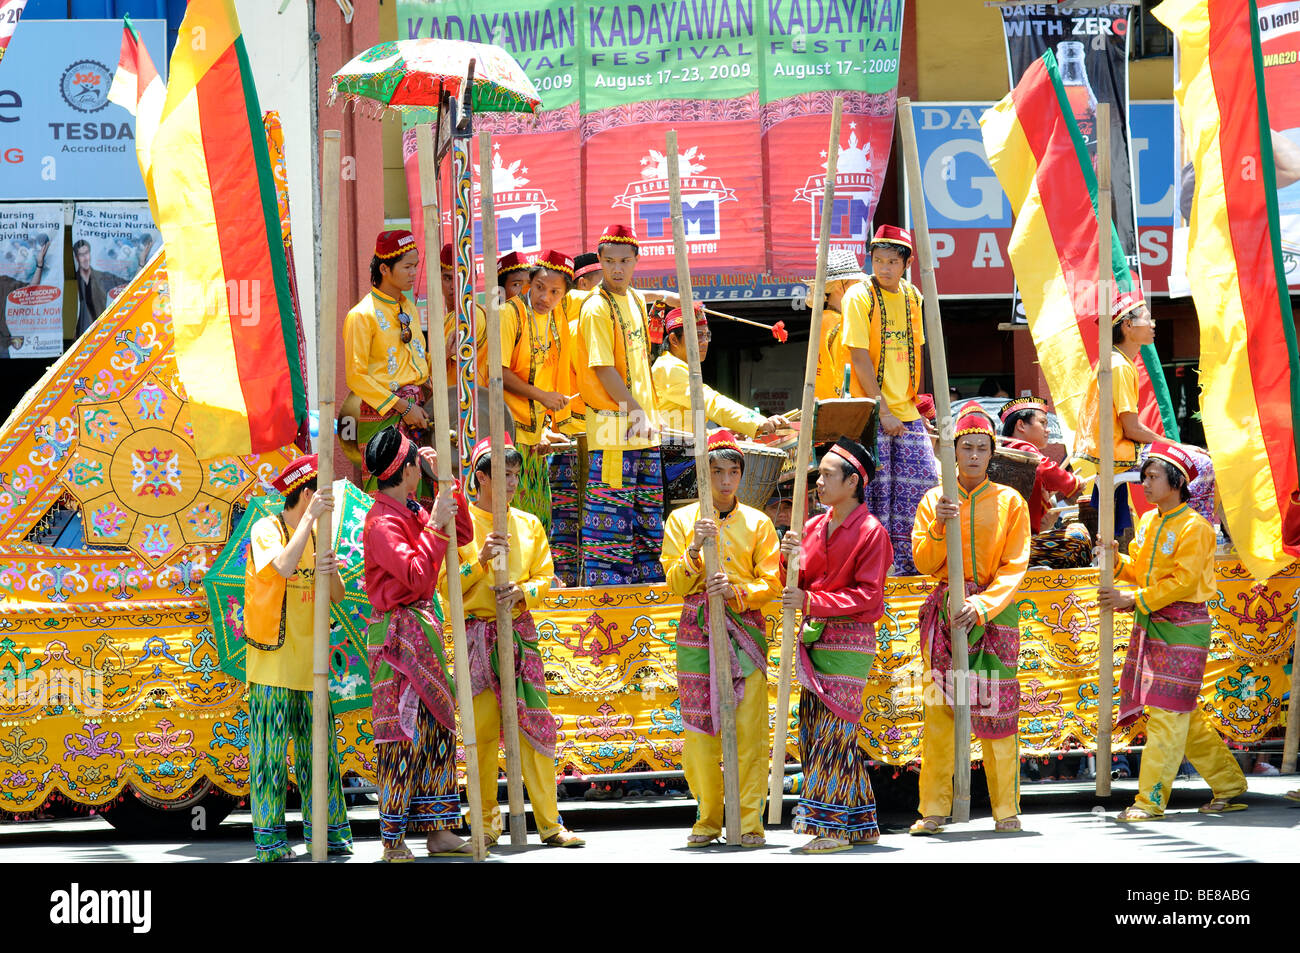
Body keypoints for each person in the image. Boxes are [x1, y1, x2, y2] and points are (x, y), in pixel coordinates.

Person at [442, 435, 585, 847]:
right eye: (503, 475)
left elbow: (545, 576)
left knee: (536, 728)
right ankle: (484, 824)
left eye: (516, 475)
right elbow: (445, 588)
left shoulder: (528, 523)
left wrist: (525, 592)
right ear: (481, 478)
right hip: (477, 636)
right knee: (481, 734)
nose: (512, 483)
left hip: (520, 634)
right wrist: (479, 560)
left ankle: (549, 823)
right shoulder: (461, 526)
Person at [1098, 443, 1249, 821]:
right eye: (1144, 476)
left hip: (1183, 627)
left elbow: (1183, 581)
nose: (1145, 484)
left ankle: (1149, 802)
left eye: (1152, 477)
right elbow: (1141, 571)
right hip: (1153, 622)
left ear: (1177, 482)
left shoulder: (1196, 528)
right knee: (1181, 713)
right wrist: (1115, 560)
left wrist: (1133, 599)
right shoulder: (1149, 521)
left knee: (1167, 716)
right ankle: (1229, 784)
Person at [910, 403, 1030, 834]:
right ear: (953, 452)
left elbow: (1016, 565)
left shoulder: (1011, 501)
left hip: (994, 614)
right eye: (966, 448)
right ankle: (934, 810)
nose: (974, 456)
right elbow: (923, 561)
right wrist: (939, 528)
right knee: (941, 710)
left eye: (982, 448)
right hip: (945, 612)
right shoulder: (934, 500)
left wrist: (983, 605)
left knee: (996, 710)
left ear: (991, 453)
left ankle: (1006, 809)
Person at [660, 430, 781, 847]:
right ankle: (708, 818)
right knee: (699, 731)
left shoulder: (759, 523)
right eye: (716, 472)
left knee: (749, 731)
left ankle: (750, 822)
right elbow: (675, 583)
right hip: (696, 631)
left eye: (733, 472)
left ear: (741, 476)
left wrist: (738, 589)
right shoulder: (680, 521)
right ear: (702, 474)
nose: (725, 480)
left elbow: (773, 583)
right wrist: (694, 549)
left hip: (745, 631)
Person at [362, 427, 474, 861]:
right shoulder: (381, 522)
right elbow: (414, 576)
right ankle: (392, 840)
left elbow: (460, 533)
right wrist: (437, 523)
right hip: (397, 639)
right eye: (418, 463)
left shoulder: (410, 509)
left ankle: (440, 829)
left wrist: (446, 481)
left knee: (437, 729)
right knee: (400, 734)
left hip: (421, 630)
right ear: (407, 469)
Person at [777, 436, 892, 853]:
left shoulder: (871, 532)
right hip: (813, 640)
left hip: (848, 643)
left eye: (827, 475)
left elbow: (868, 596)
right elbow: (794, 582)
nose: (819, 482)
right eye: (820, 474)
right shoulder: (809, 527)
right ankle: (859, 823)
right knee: (817, 730)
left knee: (833, 735)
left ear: (853, 482)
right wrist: (784, 558)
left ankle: (832, 829)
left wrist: (811, 601)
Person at [243, 454, 352, 862]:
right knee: (270, 758)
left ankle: (329, 836)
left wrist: (331, 568)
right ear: (307, 495)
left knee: (319, 755)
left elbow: (338, 595)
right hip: (272, 665)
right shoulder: (266, 529)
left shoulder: (318, 533)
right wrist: (309, 524)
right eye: (321, 497)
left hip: (312, 666)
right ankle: (271, 845)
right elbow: (285, 567)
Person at [842, 224, 938, 574]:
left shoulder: (913, 296)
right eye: (877, 260)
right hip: (870, 414)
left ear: (906, 263)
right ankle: (870, 569)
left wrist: (921, 404)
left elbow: (916, 352)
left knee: (921, 491)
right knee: (875, 497)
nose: (883, 267)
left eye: (891, 261)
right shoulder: (859, 296)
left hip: (908, 412)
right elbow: (858, 355)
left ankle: (910, 568)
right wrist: (883, 411)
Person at [1074, 290, 1216, 529]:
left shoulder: (1117, 361)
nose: (1152, 324)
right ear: (1128, 326)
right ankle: (1192, 531)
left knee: (1195, 458)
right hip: (1118, 452)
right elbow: (1132, 429)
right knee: (1202, 464)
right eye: (1147, 318)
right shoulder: (1118, 366)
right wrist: (1176, 446)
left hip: (1116, 450)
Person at [576, 224, 664, 586]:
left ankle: (648, 605)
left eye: (625, 261)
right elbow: (602, 368)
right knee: (610, 536)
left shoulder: (636, 300)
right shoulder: (596, 307)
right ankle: (610, 613)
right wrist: (636, 410)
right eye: (609, 261)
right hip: (615, 431)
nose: (617, 269)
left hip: (644, 430)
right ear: (599, 261)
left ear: (636, 262)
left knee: (648, 525)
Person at [344, 230, 431, 494]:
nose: (413, 272)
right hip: (382, 417)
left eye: (415, 266)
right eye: (407, 266)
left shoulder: (409, 307)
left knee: (423, 493)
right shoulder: (361, 315)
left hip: (416, 413)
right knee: (389, 495)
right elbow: (356, 377)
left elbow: (415, 364)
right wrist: (403, 407)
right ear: (384, 268)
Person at [501, 250, 575, 531]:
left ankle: (537, 574)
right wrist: (543, 397)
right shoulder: (510, 314)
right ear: (530, 282)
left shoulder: (558, 319)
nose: (545, 297)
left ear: (563, 294)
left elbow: (548, 376)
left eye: (555, 292)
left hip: (535, 437)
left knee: (539, 519)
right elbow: (500, 373)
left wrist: (545, 426)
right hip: (509, 433)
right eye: (540, 288)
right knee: (511, 516)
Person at [651, 303, 788, 438]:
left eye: (707, 335)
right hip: (671, 455)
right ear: (674, 340)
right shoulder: (667, 369)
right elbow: (711, 401)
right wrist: (757, 421)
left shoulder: (673, 366)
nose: (705, 341)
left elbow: (688, 432)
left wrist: (722, 433)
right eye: (698, 335)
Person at [548, 251, 601, 585]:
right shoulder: (570, 316)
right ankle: (567, 584)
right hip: (566, 437)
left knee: (589, 519)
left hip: (590, 435)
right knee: (566, 520)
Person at [1000, 396, 1091, 568]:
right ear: (1020, 425)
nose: (1047, 430)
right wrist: (1073, 482)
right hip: (1017, 548)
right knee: (1079, 536)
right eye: (1043, 423)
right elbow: (1046, 470)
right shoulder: (1023, 450)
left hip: (1011, 545)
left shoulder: (1008, 452)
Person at [440, 241, 493, 436]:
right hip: (458, 411)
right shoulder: (450, 317)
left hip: (467, 414)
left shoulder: (469, 315)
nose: (455, 285)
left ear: (475, 277)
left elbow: (434, 367)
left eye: (462, 276)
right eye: (447, 278)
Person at [809, 249, 867, 400]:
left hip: (822, 406)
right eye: (856, 284)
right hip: (845, 410)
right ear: (839, 287)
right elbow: (848, 375)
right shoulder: (843, 324)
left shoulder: (820, 320)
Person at [73, 239, 122, 337]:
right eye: (81, 255)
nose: (85, 258)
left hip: (102, 333)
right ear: (76, 258)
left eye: (86, 253)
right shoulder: (74, 278)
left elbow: (129, 284)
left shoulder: (103, 277)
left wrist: (141, 264)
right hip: (81, 336)